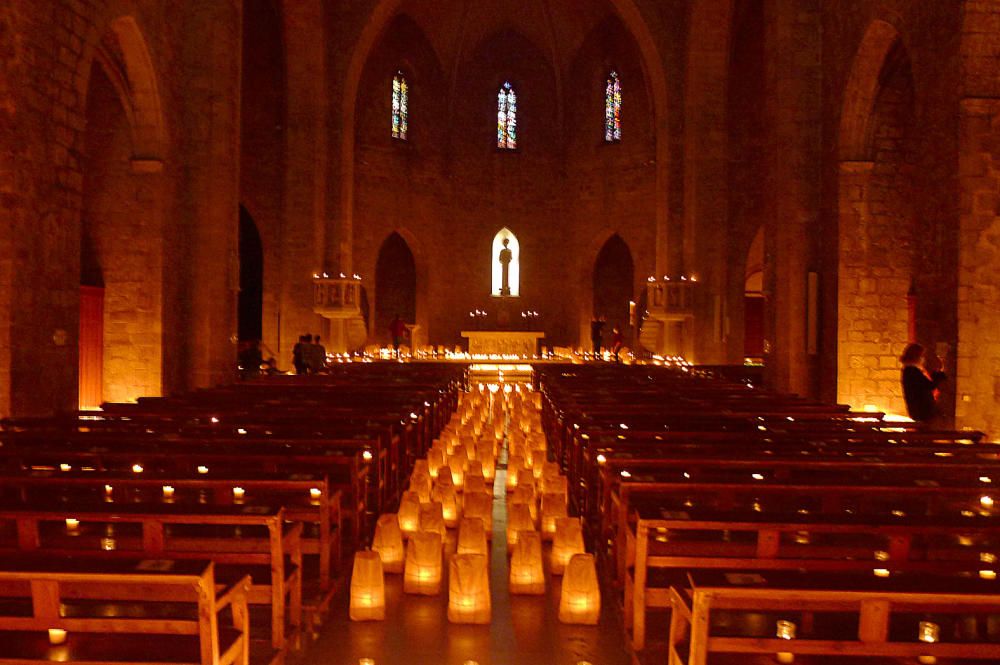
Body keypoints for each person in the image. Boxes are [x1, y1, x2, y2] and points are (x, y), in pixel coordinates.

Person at [900, 342, 946, 425]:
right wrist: (938, 375)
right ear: (916, 356)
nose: (923, 359)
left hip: (920, 410)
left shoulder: (910, 370)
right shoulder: (912, 371)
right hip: (922, 410)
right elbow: (928, 385)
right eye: (922, 356)